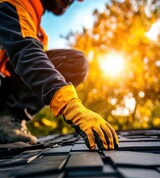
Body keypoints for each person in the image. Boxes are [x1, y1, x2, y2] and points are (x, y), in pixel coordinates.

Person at [0, 0, 118, 150]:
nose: (70, 2)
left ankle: (8, 118)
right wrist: (73, 108)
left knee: (74, 63)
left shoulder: (35, 28)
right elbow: (27, 55)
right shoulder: (15, 4)